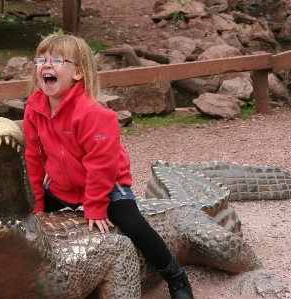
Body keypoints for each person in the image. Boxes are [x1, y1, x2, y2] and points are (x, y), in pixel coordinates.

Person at [22, 33, 194, 299]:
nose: (46, 65)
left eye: (56, 59)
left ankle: (175, 276)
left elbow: (101, 164)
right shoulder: (34, 110)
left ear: (78, 72)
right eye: (41, 59)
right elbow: (32, 158)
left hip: (106, 184)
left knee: (133, 224)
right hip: (63, 186)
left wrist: (95, 205)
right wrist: (36, 206)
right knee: (20, 210)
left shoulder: (93, 113)